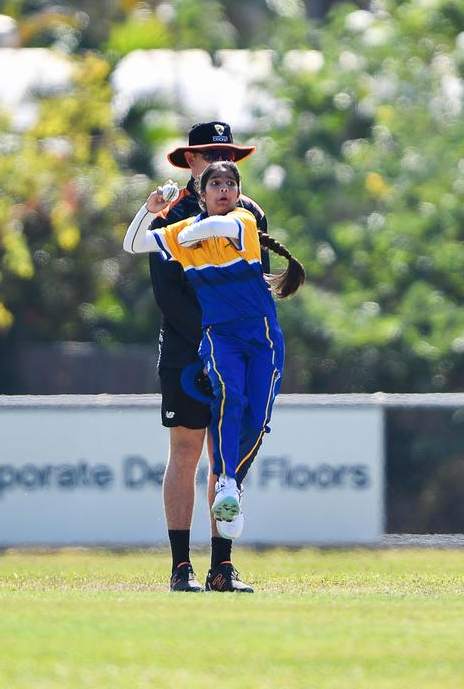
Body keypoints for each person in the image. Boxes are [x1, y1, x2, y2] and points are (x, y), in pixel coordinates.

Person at [125, 159, 306, 593]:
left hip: (262, 339)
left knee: (257, 420)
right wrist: (149, 211)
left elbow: (208, 232)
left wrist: (180, 234)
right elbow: (133, 245)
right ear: (200, 192)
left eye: (231, 184)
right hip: (220, 339)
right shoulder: (190, 228)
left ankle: (229, 480)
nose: (224, 190)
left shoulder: (242, 220)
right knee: (230, 403)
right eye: (216, 184)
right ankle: (227, 487)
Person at [145, 121, 267, 593]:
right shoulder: (170, 215)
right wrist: (208, 337)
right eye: (210, 155)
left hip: (235, 349)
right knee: (185, 451)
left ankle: (222, 567)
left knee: (226, 456)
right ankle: (181, 567)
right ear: (191, 163)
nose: (221, 164)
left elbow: (258, 282)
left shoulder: (249, 214)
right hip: (186, 347)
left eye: (228, 157)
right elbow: (167, 295)